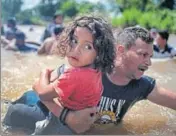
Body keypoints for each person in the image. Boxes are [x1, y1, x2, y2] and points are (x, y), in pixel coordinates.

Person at [3, 26, 176, 134]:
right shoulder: (88, 69)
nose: (149, 62)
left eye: (151, 56)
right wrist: (67, 116)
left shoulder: (142, 85)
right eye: (143, 55)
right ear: (121, 50)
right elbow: (40, 87)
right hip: (35, 108)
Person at [3, 16, 115, 135]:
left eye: (87, 46)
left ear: (100, 53)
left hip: (58, 122)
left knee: (13, 111)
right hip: (75, 118)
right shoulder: (97, 71)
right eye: (74, 40)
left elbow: (42, 94)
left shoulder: (75, 74)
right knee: (29, 95)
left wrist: (44, 73)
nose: (76, 50)